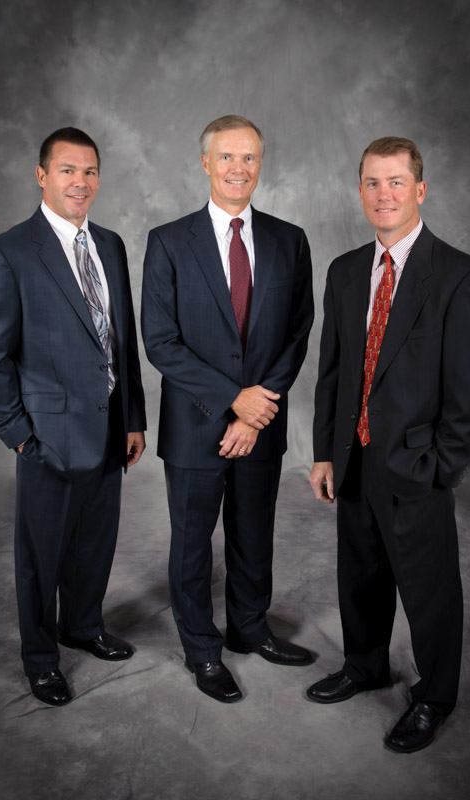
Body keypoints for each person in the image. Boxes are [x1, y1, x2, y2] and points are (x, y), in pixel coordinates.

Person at [307, 137, 470, 752]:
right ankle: (364, 666)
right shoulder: (344, 271)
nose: (383, 194)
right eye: (372, 182)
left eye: (395, 182)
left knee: (428, 591)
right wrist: (325, 452)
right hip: (354, 458)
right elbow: (333, 372)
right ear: (360, 190)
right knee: (359, 576)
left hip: (417, 466)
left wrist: (442, 467)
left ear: (420, 189)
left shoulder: (459, 275)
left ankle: (434, 696)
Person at [0, 127, 147, 706]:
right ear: (42, 175)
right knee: (41, 557)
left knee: (95, 543)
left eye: (90, 171)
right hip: (47, 437)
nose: (81, 182)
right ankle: (41, 659)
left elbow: (120, 341)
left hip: (109, 429)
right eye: (68, 170)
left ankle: (84, 626)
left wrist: (133, 417)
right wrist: (20, 436)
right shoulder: (9, 252)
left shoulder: (110, 245)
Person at [141, 115, 314, 702]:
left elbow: (298, 331)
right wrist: (232, 400)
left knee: (253, 534)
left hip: (261, 423)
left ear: (259, 164)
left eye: (249, 158)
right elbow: (160, 341)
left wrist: (254, 411)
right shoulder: (169, 241)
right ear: (205, 163)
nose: (239, 169)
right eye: (227, 157)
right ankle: (202, 650)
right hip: (195, 426)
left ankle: (250, 628)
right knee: (192, 543)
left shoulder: (290, 240)